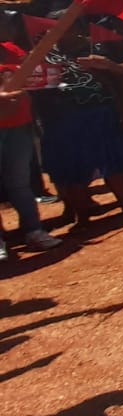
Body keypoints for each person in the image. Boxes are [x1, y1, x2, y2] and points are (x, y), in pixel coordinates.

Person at [30, 12, 123, 227]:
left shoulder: (97, 49)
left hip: (99, 113)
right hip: (60, 119)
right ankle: (83, 218)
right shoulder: (42, 54)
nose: (58, 30)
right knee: (71, 169)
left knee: (113, 162)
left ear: (77, 28)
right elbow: (33, 89)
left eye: (65, 26)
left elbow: (119, 82)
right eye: (54, 26)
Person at [0, 29, 62, 255]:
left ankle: (33, 231)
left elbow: (34, 72)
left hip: (19, 125)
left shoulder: (11, 50)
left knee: (20, 183)